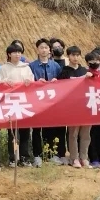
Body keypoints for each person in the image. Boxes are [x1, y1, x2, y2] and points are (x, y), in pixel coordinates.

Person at [29, 37, 62, 167]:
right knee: (36, 129)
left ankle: (50, 154)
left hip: (51, 103)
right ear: (37, 50)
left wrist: (57, 82)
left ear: (50, 50)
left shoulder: (55, 66)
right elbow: (28, 83)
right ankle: (37, 155)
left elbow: (63, 83)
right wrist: (36, 83)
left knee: (51, 128)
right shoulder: (32, 66)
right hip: (36, 102)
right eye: (41, 47)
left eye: (46, 48)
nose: (44, 50)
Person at [0, 42, 34, 167]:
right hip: (11, 103)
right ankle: (13, 158)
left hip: (24, 102)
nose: (17, 54)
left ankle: (25, 157)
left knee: (25, 132)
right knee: (13, 133)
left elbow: (33, 82)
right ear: (9, 54)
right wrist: (5, 81)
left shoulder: (26, 68)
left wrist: (29, 82)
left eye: (19, 52)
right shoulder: (3, 68)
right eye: (15, 52)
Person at [60, 46, 90, 168]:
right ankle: (74, 158)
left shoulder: (84, 70)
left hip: (85, 104)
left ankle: (84, 157)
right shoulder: (64, 71)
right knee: (73, 133)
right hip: (72, 106)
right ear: (68, 56)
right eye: (73, 55)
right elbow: (62, 87)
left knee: (86, 133)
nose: (75, 58)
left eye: (77, 55)